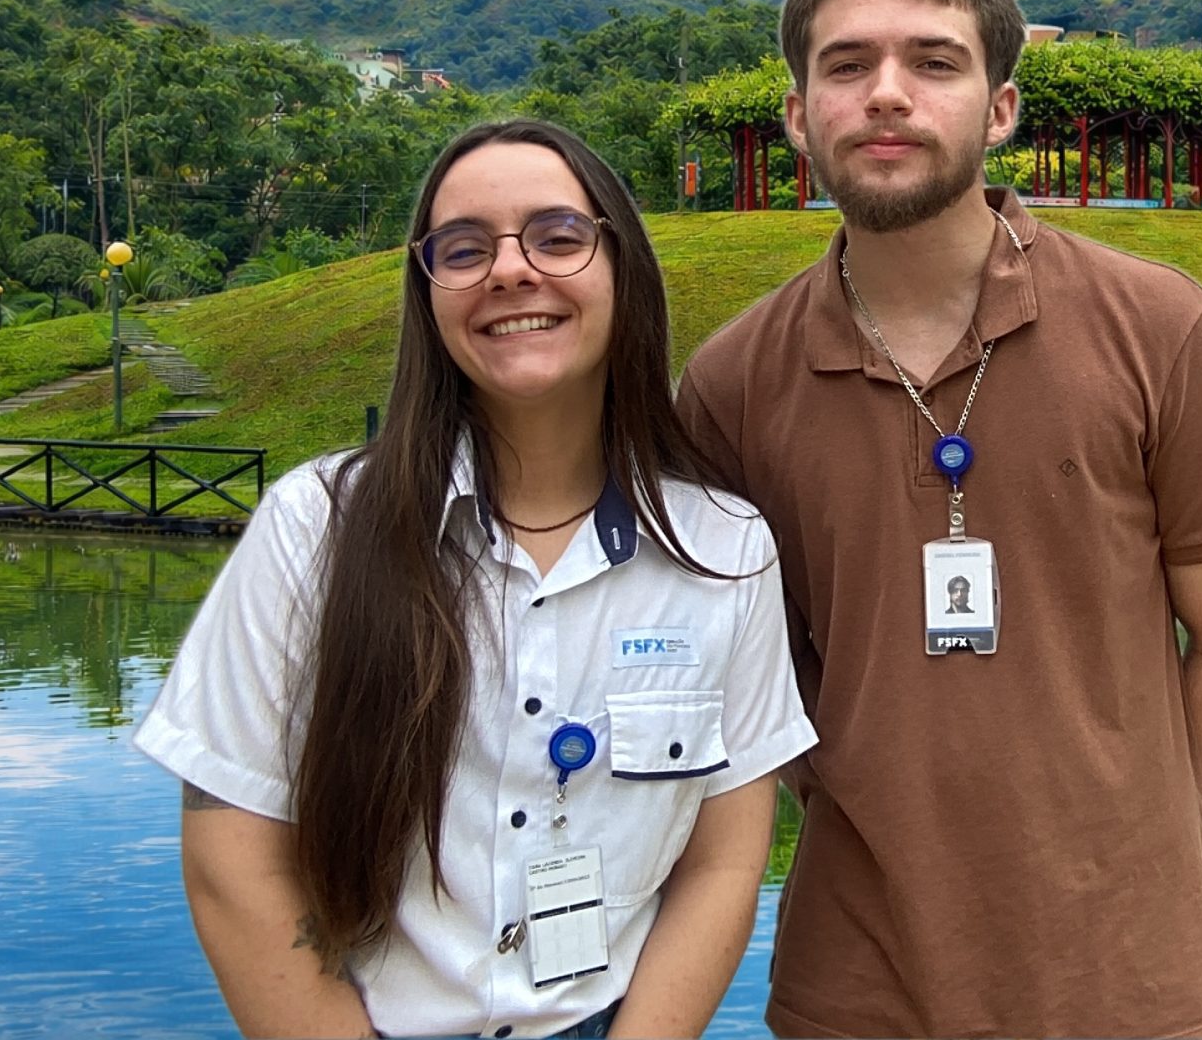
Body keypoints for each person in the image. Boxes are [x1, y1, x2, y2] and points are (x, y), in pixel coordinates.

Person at [675, 0, 1202, 1038]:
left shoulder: (1161, 330)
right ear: (798, 115)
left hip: (1129, 983)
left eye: (934, 62)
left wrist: (1139, 836)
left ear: (1000, 109)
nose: (888, 94)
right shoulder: (731, 386)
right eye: (846, 65)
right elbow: (754, 685)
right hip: (858, 987)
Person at [135, 120, 816, 1040]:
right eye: (463, 250)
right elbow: (232, 855)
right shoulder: (314, 528)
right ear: (428, 296)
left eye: (557, 237)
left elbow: (723, 867)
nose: (510, 270)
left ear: (622, 267)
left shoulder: (726, 552)